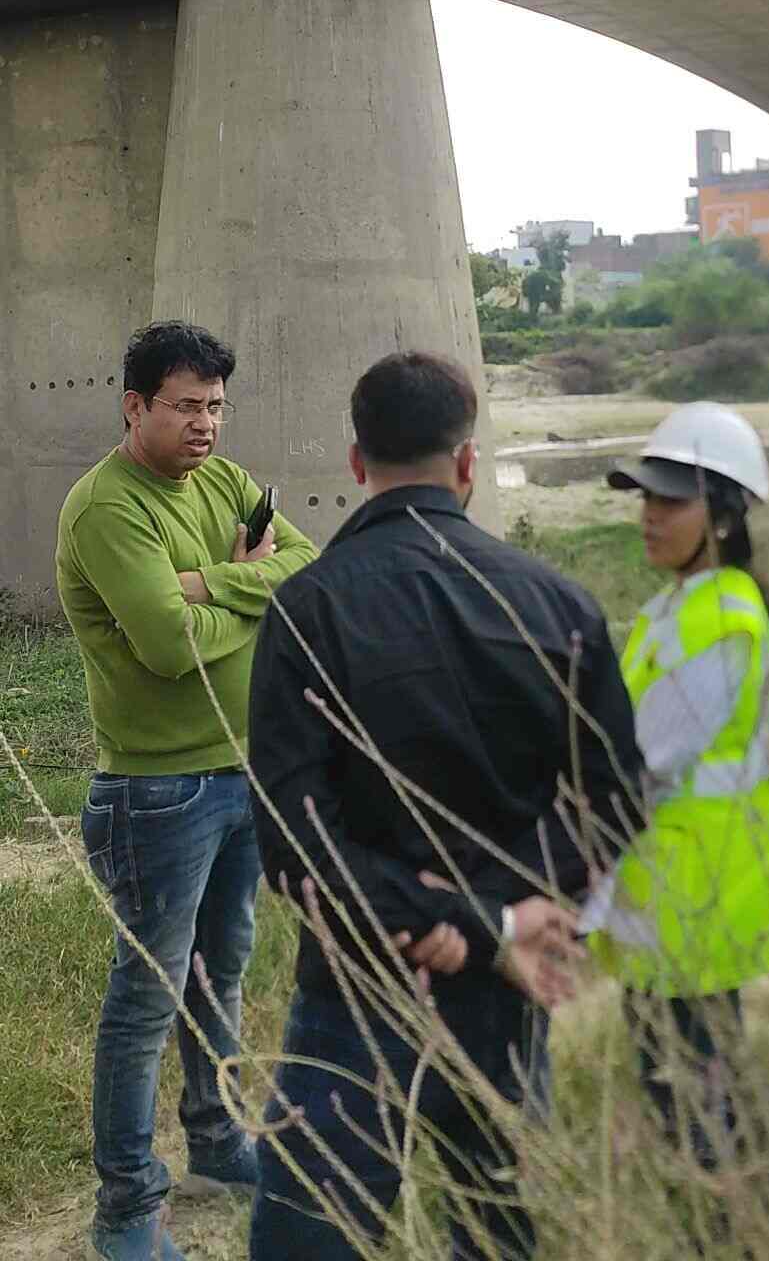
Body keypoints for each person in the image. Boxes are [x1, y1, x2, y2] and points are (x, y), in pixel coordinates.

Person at [247, 350, 643, 1261]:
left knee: (311, 1242)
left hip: (356, 990)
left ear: (357, 461)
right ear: (467, 462)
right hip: (503, 996)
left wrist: (452, 917)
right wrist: (503, 917)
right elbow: (617, 800)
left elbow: (294, 843)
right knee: (498, 1234)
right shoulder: (557, 603)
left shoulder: (308, 609)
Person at [56, 321, 318, 1261]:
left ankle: (216, 1141)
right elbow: (167, 650)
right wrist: (251, 590)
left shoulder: (227, 481)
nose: (206, 424)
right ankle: (127, 1210)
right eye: (186, 406)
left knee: (221, 972)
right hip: (156, 792)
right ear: (135, 406)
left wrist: (208, 583)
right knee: (146, 1004)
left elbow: (306, 564)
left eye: (215, 405)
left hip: (241, 771)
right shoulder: (106, 508)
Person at [580, 402, 769, 1245]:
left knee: (702, 1107)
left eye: (671, 501)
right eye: (645, 497)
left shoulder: (721, 619)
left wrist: (574, 892)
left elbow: (637, 764)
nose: (649, 515)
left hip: (699, 898)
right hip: (671, 894)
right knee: (691, 1094)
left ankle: (738, 1238)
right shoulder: (681, 604)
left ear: (726, 514)